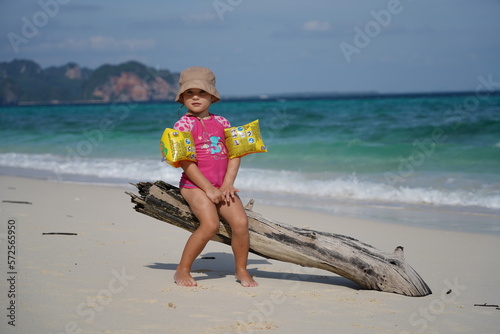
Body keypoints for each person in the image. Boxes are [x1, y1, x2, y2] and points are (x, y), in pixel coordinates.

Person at [171, 66, 258, 288]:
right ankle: (182, 269)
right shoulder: (183, 124)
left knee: (240, 222)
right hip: (195, 186)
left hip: (222, 184)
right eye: (189, 93)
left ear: (212, 96)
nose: (196, 97)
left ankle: (241, 269)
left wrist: (228, 183)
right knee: (210, 225)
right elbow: (185, 162)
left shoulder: (223, 122)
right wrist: (208, 188)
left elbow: (235, 155)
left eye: (201, 92)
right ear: (182, 97)